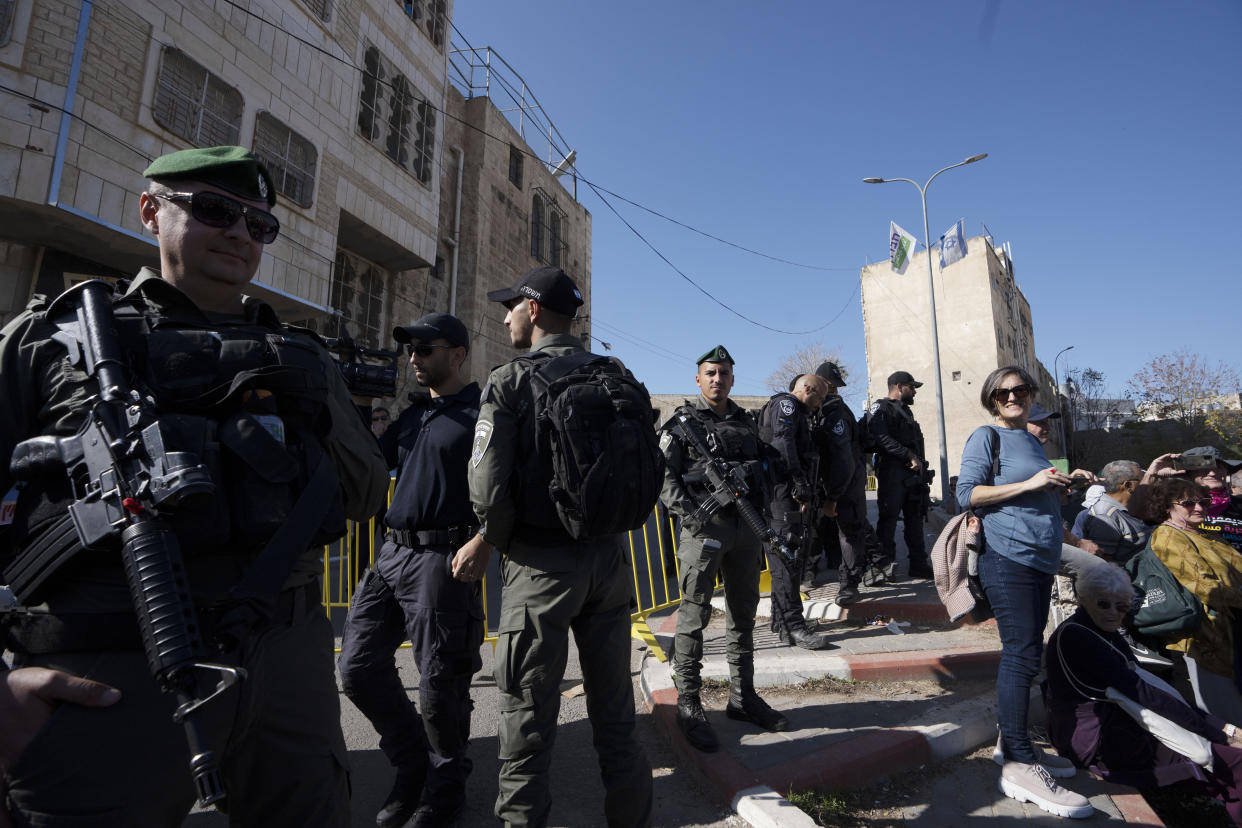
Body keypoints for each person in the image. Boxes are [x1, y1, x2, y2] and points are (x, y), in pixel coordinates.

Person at [0, 146, 389, 825]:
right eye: (214, 210)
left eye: (259, 225)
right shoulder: (48, 341)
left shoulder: (303, 360)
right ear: (152, 211)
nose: (239, 233)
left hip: (284, 667)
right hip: (109, 677)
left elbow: (363, 494)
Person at [453, 265, 652, 827]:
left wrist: (490, 541)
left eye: (510, 306)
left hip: (540, 569)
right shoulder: (616, 374)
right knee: (616, 719)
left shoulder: (510, 380)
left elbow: (488, 488)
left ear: (534, 310)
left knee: (525, 726)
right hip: (610, 565)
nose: (504, 316)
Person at [337, 313, 483, 828]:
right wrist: (354, 403)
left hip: (443, 560)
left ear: (458, 353)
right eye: (412, 351)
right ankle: (411, 760)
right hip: (391, 554)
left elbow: (511, 484)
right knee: (356, 667)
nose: (416, 359)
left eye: (427, 349)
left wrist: (485, 539)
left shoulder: (481, 415)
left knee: (440, 683)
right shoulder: (414, 414)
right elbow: (364, 461)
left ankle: (446, 788)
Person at [955, 366, 1093, 817]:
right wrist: (1034, 482)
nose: (1013, 397)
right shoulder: (985, 437)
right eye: (1003, 392)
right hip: (1006, 557)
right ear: (993, 399)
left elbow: (1037, 499)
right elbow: (967, 494)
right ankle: (1017, 760)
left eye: (1021, 390)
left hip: (1038, 558)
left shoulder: (1033, 441)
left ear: (1031, 394)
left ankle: (1011, 745)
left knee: (1029, 653)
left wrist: (1067, 487)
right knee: (1021, 654)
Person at [659, 345, 790, 754]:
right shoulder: (681, 424)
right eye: (710, 373)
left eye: (724, 373)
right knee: (694, 614)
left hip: (745, 529)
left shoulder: (747, 424)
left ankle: (742, 696)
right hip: (704, 528)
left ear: (733, 379)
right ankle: (689, 701)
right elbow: (663, 478)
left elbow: (764, 472)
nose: (718, 379)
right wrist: (692, 514)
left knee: (743, 613)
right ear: (698, 378)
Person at [1045, 562, 1242, 823]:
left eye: (1122, 607)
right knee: (1233, 761)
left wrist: (1225, 728)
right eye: (1103, 604)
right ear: (1083, 599)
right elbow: (1145, 695)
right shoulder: (1077, 637)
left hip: (1117, 724)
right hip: (1096, 739)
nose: (1113, 613)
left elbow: (1153, 693)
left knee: (1227, 757)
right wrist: (1218, 732)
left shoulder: (1103, 632)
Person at [1148, 477, 1242, 726]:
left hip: (1231, 633)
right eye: (1189, 503)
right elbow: (1206, 588)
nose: (1199, 508)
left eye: (1203, 501)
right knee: (1227, 718)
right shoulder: (1168, 537)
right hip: (1207, 639)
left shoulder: (1202, 534)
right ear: (1167, 505)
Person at [757, 374, 833, 649]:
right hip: (782, 496)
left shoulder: (797, 412)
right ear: (808, 389)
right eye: (820, 397)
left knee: (787, 561)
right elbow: (782, 444)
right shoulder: (786, 406)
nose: (820, 403)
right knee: (786, 561)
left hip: (786, 495)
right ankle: (793, 625)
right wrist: (798, 481)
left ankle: (782, 620)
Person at [813, 361, 873, 600]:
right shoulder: (823, 411)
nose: (832, 391)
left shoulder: (835, 413)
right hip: (834, 483)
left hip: (846, 485)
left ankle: (849, 584)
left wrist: (833, 496)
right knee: (841, 532)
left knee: (849, 534)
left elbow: (843, 461)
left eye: (833, 387)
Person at [868, 370, 931, 579]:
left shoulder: (906, 411)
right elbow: (881, 438)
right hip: (892, 474)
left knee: (914, 520)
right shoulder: (881, 408)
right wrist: (908, 455)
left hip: (912, 476)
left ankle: (919, 565)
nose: (914, 392)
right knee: (888, 521)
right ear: (898, 387)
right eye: (911, 387)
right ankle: (884, 568)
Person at [1132, 447, 1242, 554]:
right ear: (1188, 473)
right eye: (1205, 468)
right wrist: (1151, 474)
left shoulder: (1238, 504)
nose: (1213, 473)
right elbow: (1136, 515)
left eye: (1219, 467)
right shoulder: (1170, 505)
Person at [1076, 460, 1150, 563]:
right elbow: (1106, 566)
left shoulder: (1132, 507)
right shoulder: (1105, 516)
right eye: (1142, 480)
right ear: (1128, 486)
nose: (1147, 484)